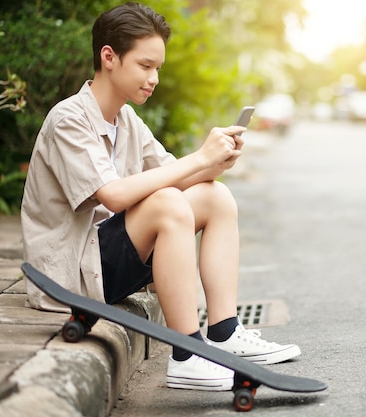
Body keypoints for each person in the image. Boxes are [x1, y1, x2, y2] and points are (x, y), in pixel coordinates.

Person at [21, 1, 300, 392]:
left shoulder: (126, 120)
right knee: (167, 204)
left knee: (214, 197)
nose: (154, 78)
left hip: (111, 257)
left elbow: (180, 175)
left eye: (158, 69)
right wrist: (198, 159)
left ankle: (224, 330)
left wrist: (215, 162)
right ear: (109, 57)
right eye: (145, 65)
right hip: (76, 271)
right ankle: (186, 355)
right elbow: (114, 196)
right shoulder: (69, 120)